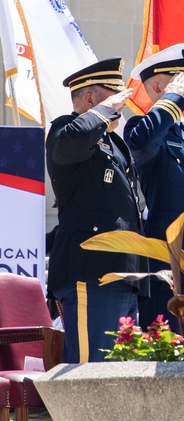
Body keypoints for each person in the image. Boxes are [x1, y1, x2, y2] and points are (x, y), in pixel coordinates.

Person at [47, 58, 143, 363]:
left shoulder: (115, 143)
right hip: (91, 270)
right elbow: (70, 143)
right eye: (115, 95)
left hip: (124, 273)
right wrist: (104, 111)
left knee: (116, 377)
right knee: (91, 373)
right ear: (90, 98)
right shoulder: (65, 130)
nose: (122, 104)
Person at [124, 44, 184, 331]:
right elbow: (141, 142)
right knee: (169, 345)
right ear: (158, 86)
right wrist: (171, 100)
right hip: (168, 258)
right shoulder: (142, 127)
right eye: (181, 81)